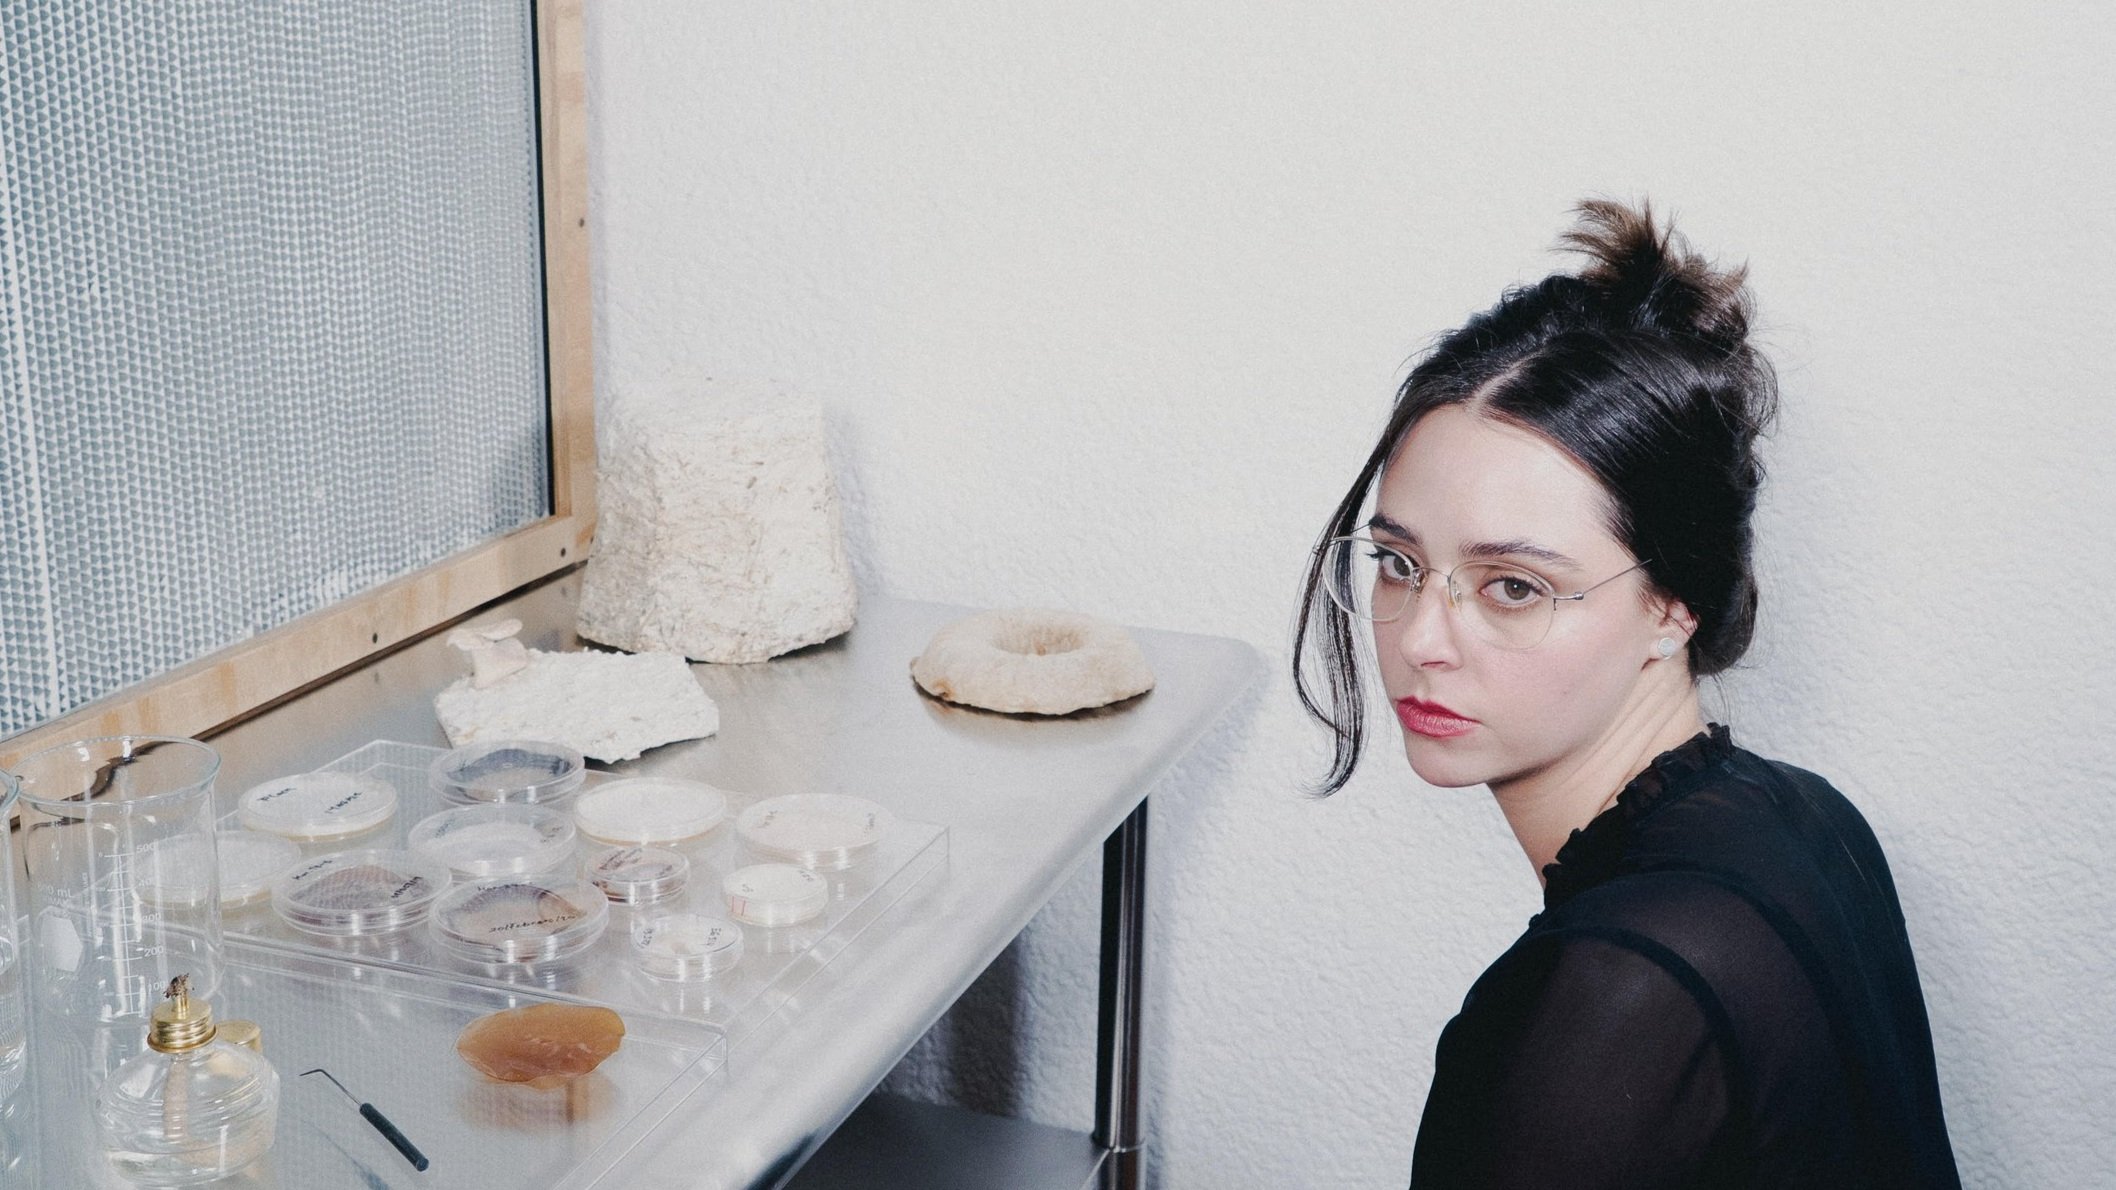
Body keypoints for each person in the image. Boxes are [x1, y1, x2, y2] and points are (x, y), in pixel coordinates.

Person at [1293, 201, 1961, 1188]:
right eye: (1396, 561)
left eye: (1511, 586)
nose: (1420, 639)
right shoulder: (1804, 816)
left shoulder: (1611, 995)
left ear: (1672, 604)